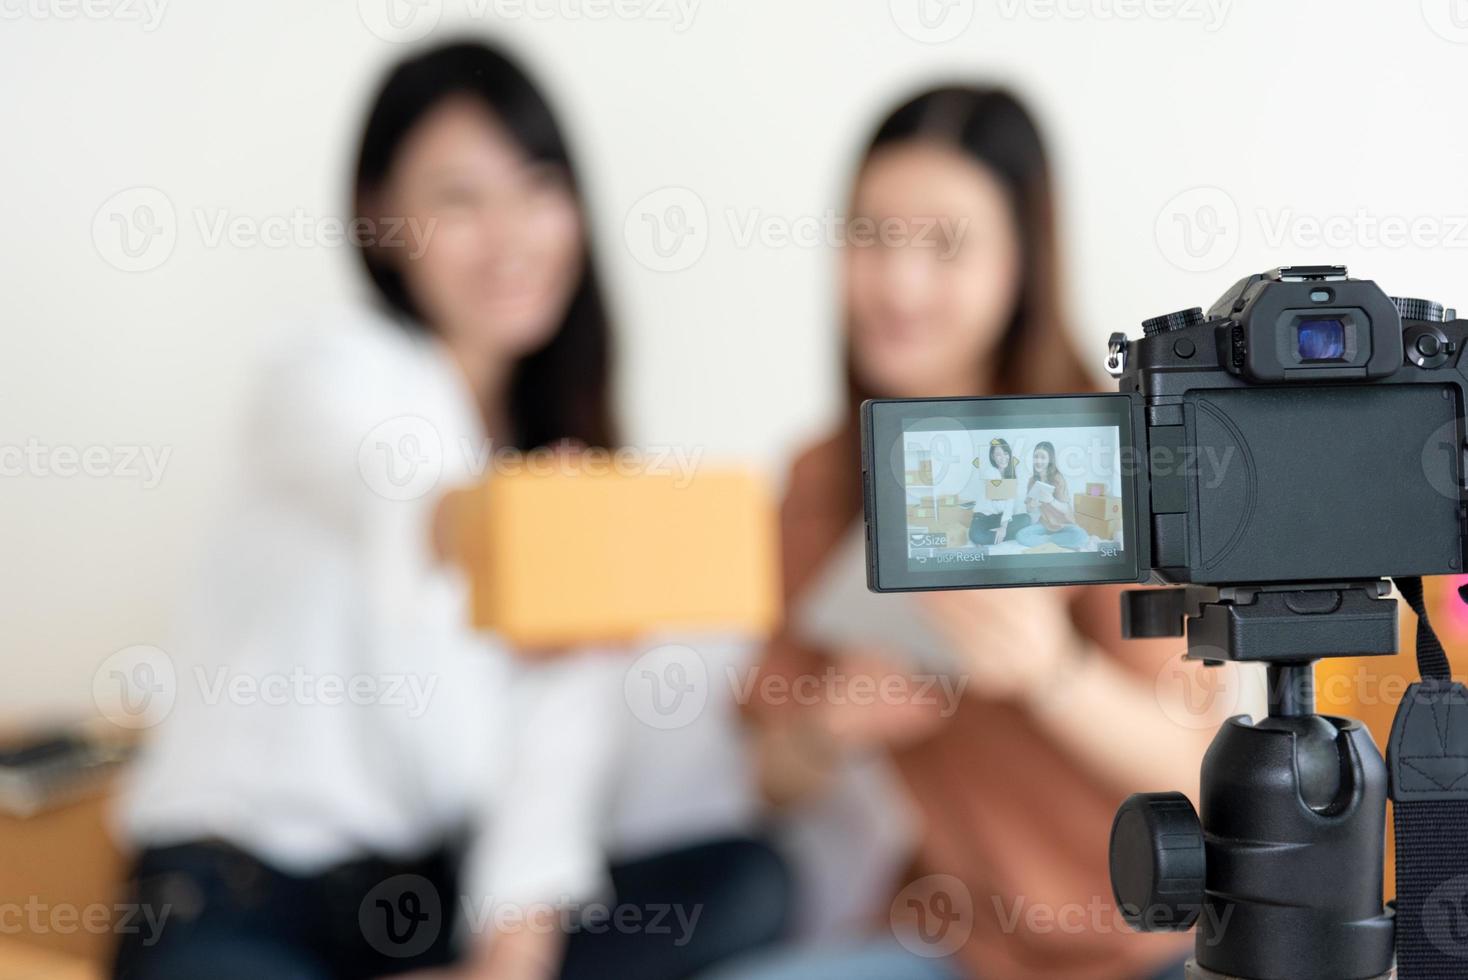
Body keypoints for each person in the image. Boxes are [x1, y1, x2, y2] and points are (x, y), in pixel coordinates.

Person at [112, 41, 787, 980]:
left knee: (749, 882)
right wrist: (516, 536)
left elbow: (555, 736)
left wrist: (510, 955)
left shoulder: (565, 456)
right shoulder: (320, 371)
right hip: (248, 894)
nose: (511, 236)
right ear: (381, 219)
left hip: (426, 901)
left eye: (536, 186)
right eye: (459, 199)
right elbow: (391, 484)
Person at [721, 86, 1229, 980]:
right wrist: (832, 727)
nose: (898, 283)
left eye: (945, 244)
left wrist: (1050, 675)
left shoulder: (1118, 459)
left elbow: (1202, 774)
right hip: (958, 948)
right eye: (871, 238)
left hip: (1149, 950)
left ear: (1021, 264)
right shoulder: (822, 478)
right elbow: (770, 774)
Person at [1014, 440, 1089, 550]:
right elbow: (1029, 509)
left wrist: (1051, 500)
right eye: (1036, 457)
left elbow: (1065, 509)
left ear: (1050, 460)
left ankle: (1049, 540)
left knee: (1081, 536)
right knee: (1021, 536)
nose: (1038, 461)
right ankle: (1056, 541)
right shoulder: (1032, 480)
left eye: (1043, 457)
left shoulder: (1057, 478)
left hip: (1064, 525)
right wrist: (1032, 505)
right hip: (1044, 525)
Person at [967, 437, 1029, 546]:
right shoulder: (990, 473)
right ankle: (997, 535)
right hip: (983, 517)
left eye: (1005, 453)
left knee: (1026, 519)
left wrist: (1003, 527)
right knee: (975, 535)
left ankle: (994, 535)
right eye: (998, 454)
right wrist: (1004, 525)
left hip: (999, 519)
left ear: (1009, 454)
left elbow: (1009, 505)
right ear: (993, 457)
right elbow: (998, 505)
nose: (1003, 457)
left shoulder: (1012, 476)